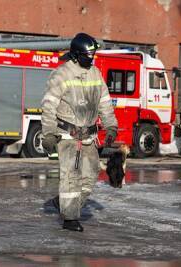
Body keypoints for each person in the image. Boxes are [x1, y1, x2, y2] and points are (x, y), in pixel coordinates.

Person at [41, 33, 118, 232]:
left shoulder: (95, 74)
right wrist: (48, 133)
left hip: (89, 138)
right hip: (68, 136)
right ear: (76, 54)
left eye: (93, 54)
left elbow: (105, 104)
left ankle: (63, 203)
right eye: (87, 55)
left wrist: (111, 127)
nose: (91, 58)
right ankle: (70, 218)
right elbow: (49, 106)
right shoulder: (61, 74)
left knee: (90, 177)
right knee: (70, 176)